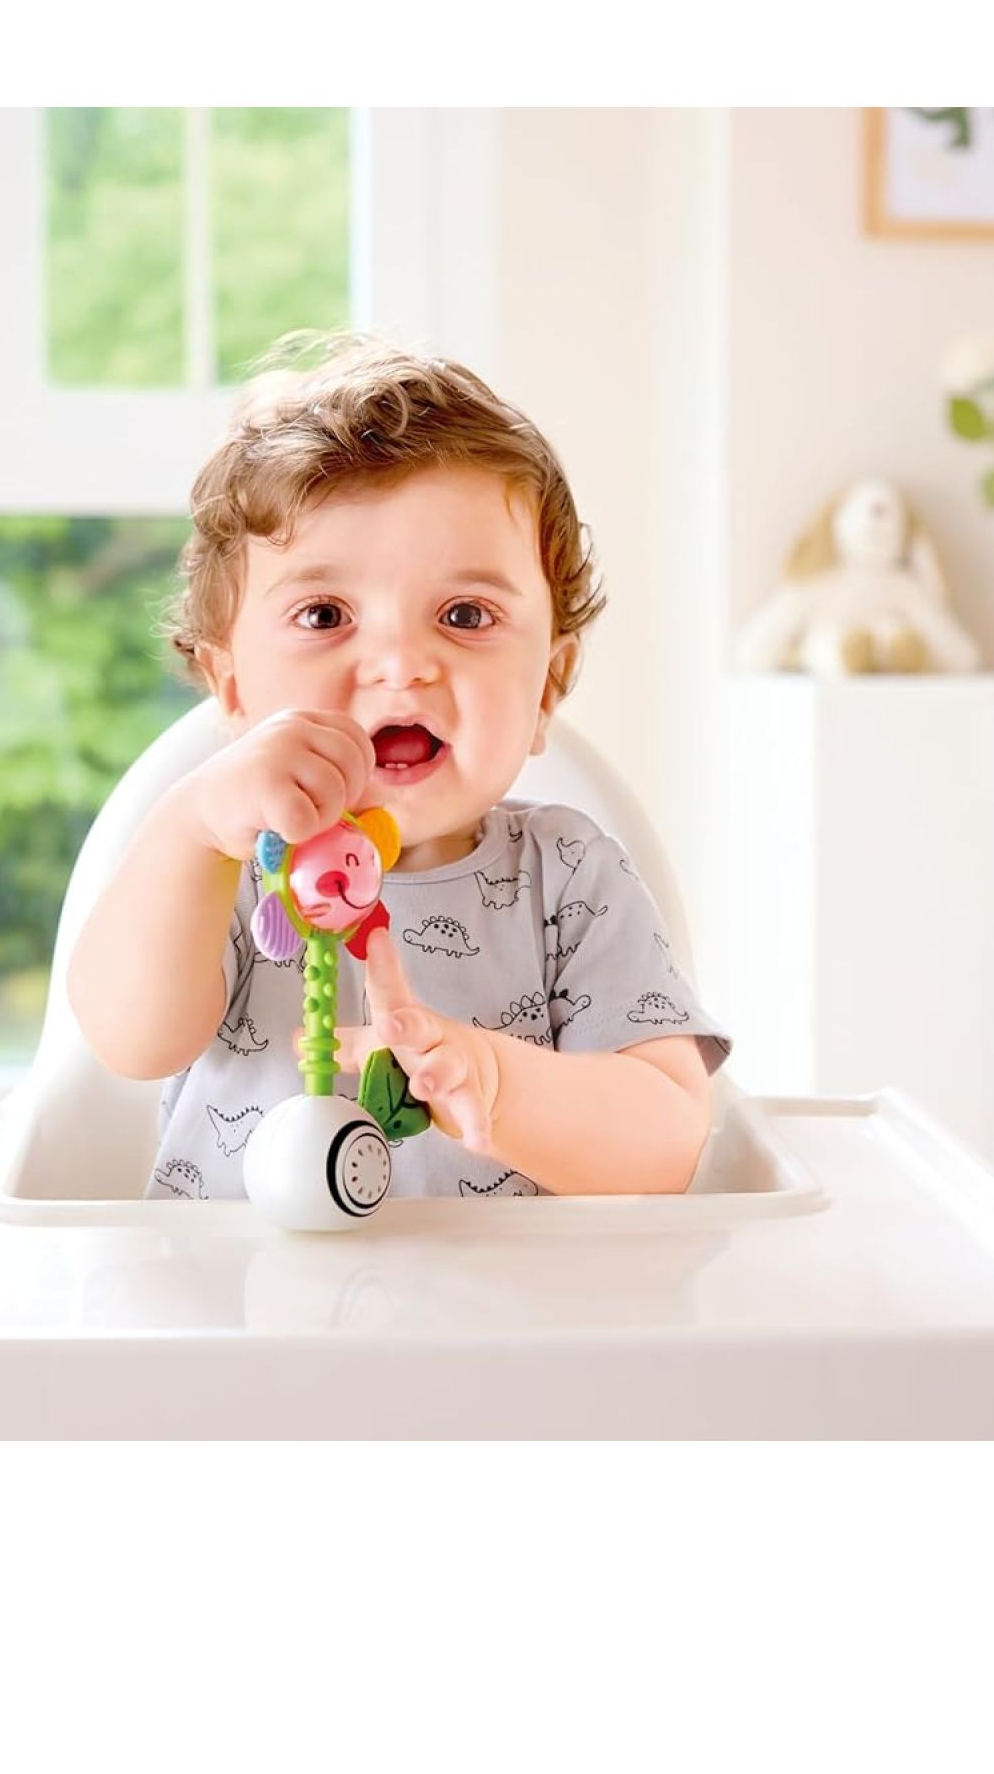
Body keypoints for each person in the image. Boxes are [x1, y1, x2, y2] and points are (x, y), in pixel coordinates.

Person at [67, 331, 730, 1198]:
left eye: (464, 615)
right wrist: (190, 828)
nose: (401, 664)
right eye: (324, 615)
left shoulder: (570, 876)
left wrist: (496, 1083)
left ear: (547, 685)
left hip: (507, 1290)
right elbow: (128, 1038)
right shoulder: (224, 868)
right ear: (232, 689)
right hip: (239, 1285)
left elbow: (668, 1142)